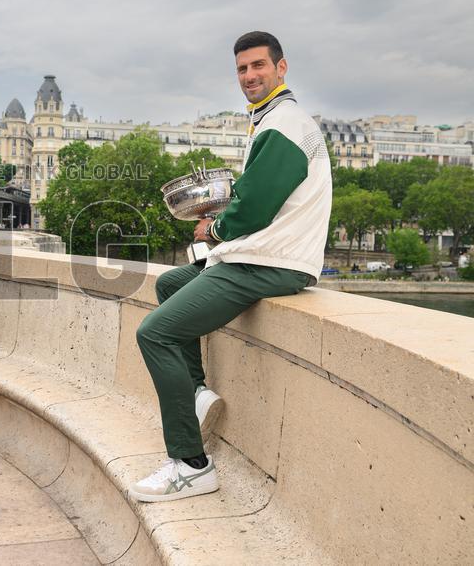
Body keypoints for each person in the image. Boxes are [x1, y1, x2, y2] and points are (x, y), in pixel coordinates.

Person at [130, 31, 332, 503]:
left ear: (281, 69)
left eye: (259, 66)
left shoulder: (283, 124)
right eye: (242, 69)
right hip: (266, 257)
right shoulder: (275, 121)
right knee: (171, 283)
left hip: (265, 262)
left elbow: (255, 209)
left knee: (154, 333)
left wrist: (214, 231)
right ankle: (198, 394)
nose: (249, 76)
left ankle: (191, 464)